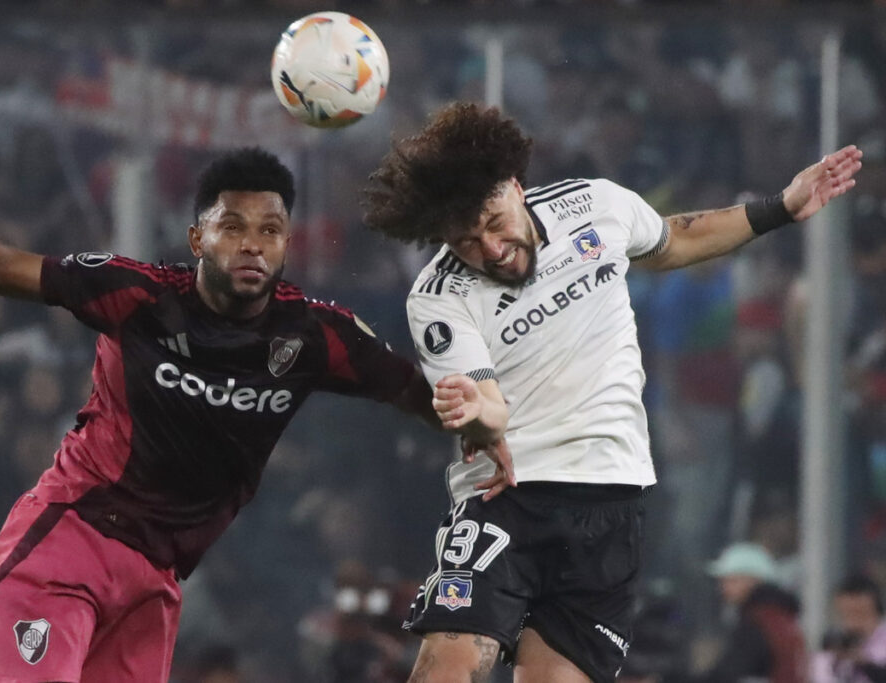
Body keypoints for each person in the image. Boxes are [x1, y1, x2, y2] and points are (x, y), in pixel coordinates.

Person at [0, 147, 513, 683]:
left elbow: (420, 394)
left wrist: (484, 425)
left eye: (271, 230)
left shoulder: (314, 336)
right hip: (70, 541)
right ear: (198, 239)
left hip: (154, 581)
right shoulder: (136, 295)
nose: (253, 243)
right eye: (233, 227)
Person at [362, 101, 863, 683]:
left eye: (495, 223)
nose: (492, 249)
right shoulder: (438, 296)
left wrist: (780, 208)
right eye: (468, 241)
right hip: (509, 499)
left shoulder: (594, 203)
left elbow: (672, 239)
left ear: (516, 187)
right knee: (446, 667)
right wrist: (478, 417)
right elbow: (487, 401)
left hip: (611, 498)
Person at [699, 542, 806, 683]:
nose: (723, 588)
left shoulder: (759, 621)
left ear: (753, 580)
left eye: (732, 580)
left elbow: (728, 674)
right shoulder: (783, 617)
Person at [812, 575, 886, 683]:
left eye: (859, 614)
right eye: (845, 614)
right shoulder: (830, 649)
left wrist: (864, 664)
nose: (852, 622)